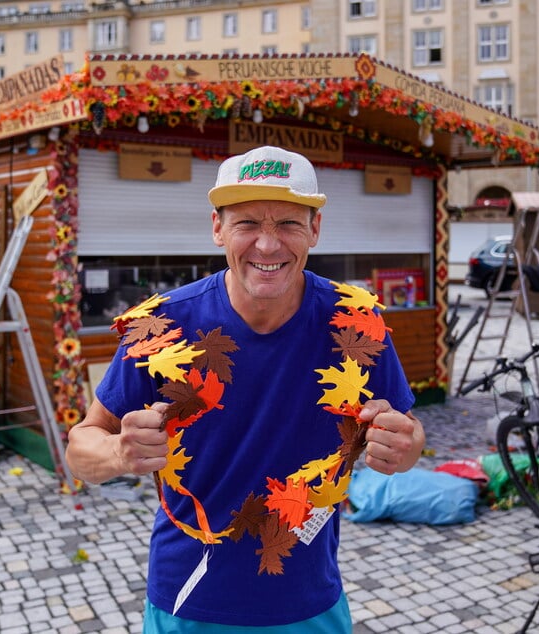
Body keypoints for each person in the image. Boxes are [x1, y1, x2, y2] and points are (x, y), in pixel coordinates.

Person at [66, 145, 426, 633]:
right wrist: (117, 452)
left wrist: (403, 447)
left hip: (309, 602)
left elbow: (409, 435)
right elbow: (80, 449)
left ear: (315, 230)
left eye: (289, 224)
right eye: (248, 223)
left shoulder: (357, 321)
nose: (268, 244)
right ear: (217, 228)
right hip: (189, 600)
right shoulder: (161, 324)